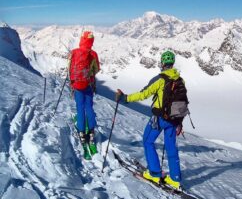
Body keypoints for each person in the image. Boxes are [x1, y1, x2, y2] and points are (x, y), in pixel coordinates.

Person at [116, 50, 186, 189]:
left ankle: (154, 173)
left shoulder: (160, 79)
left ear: (162, 63)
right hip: (174, 120)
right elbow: (182, 101)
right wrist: (179, 122)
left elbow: (143, 94)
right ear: (172, 64)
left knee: (148, 141)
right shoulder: (180, 80)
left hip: (159, 118)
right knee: (171, 146)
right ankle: (175, 179)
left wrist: (125, 98)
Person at [69, 31, 100, 157]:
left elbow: (69, 67)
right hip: (88, 84)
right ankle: (91, 132)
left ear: (81, 40)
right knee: (89, 107)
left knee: (80, 108)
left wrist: (72, 82)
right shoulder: (93, 54)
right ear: (92, 41)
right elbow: (96, 69)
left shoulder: (74, 52)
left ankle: (82, 132)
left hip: (76, 85)